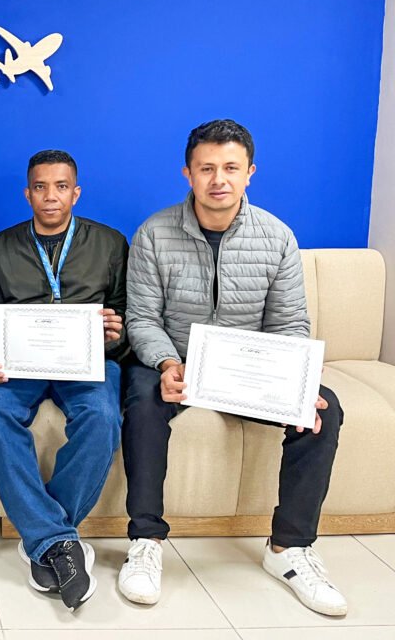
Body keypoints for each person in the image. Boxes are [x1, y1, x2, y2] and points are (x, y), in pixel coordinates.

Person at [118, 119, 346, 616]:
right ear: (188, 174)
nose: (218, 178)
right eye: (206, 168)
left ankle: (290, 549)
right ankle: (146, 542)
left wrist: (292, 381)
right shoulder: (154, 233)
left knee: (323, 410)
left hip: (247, 371)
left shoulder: (277, 236)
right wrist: (165, 361)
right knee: (139, 401)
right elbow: (141, 316)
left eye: (230, 168)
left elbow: (289, 322)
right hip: (174, 363)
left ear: (249, 174)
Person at [0, 149, 128, 612]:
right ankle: (61, 543)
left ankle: (44, 538)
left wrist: (115, 329)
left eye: (61, 187)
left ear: (75, 192)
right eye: (40, 187)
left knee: (103, 416)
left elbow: (126, 310)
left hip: (87, 362)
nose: (50, 196)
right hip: (21, 362)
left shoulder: (109, 242)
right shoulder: (0, 245)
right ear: (27, 194)